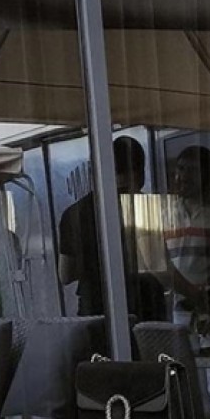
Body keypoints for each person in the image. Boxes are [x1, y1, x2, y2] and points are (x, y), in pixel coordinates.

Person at [163, 145, 210, 408]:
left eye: (191, 170)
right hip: (183, 307)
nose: (182, 176)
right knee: (180, 379)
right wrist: (195, 297)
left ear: (207, 175)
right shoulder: (165, 213)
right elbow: (160, 266)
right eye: (180, 169)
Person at [58, 136, 150, 317]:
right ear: (139, 171)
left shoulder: (74, 213)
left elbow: (65, 275)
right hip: (143, 308)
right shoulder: (145, 208)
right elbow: (158, 267)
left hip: (94, 310)